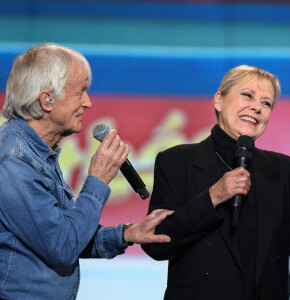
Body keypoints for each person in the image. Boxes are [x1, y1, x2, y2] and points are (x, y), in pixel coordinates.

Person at [0, 43, 173, 300]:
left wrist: (127, 234)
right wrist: (98, 180)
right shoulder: (15, 161)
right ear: (47, 100)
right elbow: (63, 247)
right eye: (80, 92)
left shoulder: (36, 150)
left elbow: (66, 233)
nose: (88, 103)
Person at [142, 65, 290, 300]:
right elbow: (157, 243)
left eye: (266, 103)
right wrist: (212, 198)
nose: (257, 107)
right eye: (247, 95)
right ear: (219, 100)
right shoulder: (177, 161)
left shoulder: (286, 171)